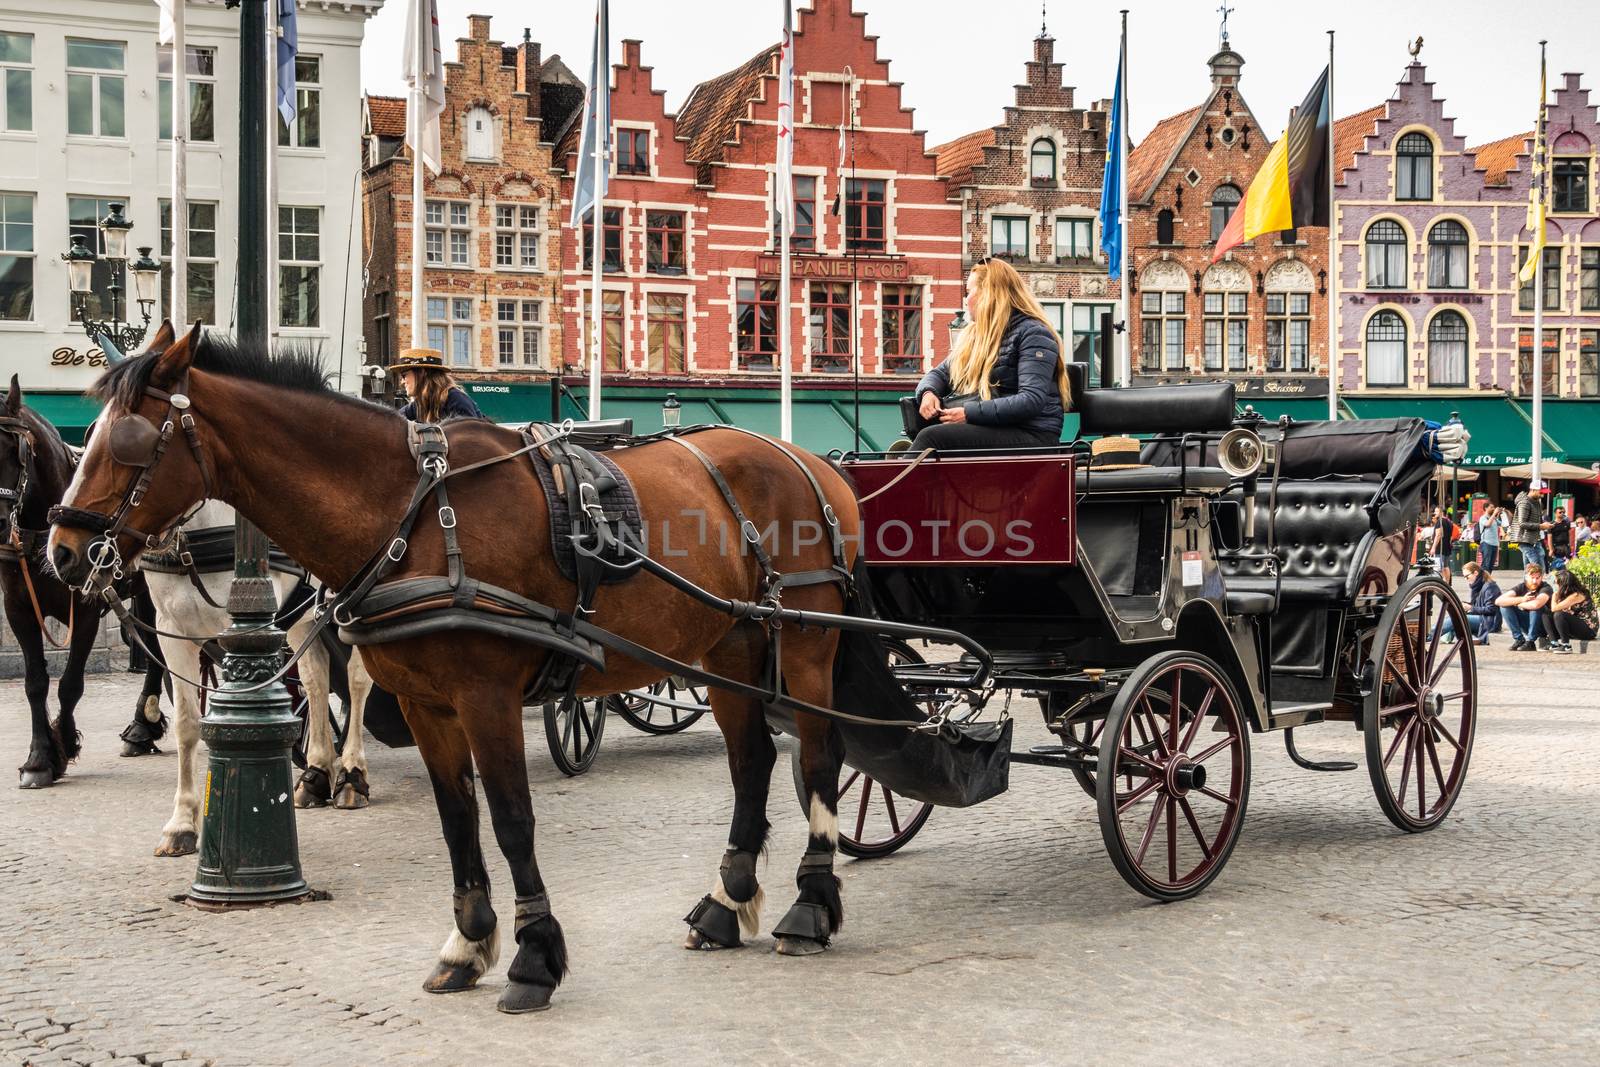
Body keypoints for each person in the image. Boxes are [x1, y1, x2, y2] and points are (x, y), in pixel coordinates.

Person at [913, 258, 1069, 452]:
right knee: (927, 433)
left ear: (989, 294)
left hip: (1033, 434)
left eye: (969, 292)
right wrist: (928, 393)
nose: (966, 299)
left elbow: (1031, 400)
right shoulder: (977, 336)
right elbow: (939, 374)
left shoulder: (1034, 334)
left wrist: (968, 413)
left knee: (932, 438)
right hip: (998, 427)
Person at [389, 348, 486, 423]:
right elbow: (394, 419)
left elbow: (472, 441)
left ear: (422, 373)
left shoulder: (455, 399)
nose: (402, 381)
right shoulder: (421, 404)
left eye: (404, 375)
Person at [1496, 562, 1554, 652]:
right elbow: (1498, 601)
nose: (1535, 581)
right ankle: (1519, 639)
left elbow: (1536, 605)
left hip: (1544, 626)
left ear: (1542, 577)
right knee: (1504, 606)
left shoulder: (1546, 588)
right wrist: (1522, 599)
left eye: (1538, 578)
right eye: (1532, 578)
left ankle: (1531, 641)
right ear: (1526, 577)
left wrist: (1517, 603)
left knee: (1535, 608)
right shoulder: (1521, 587)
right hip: (1527, 624)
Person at [1443, 561, 1501, 645]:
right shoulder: (1477, 586)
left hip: (1488, 621)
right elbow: (1477, 605)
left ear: (1476, 573)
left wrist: (1470, 608)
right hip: (1482, 618)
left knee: (1457, 618)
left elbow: (1491, 609)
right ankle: (1437, 635)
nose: (1466, 579)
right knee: (1455, 613)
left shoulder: (1490, 586)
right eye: (1464, 577)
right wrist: (1465, 605)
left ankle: (1430, 635)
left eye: (1467, 576)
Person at [1548, 568, 1596, 653]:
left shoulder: (1577, 595)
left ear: (1563, 584)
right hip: (1575, 628)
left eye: (1556, 582)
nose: (1555, 584)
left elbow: (1554, 608)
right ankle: (1554, 643)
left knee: (1559, 615)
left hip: (1588, 631)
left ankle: (1566, 646)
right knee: (1546, 614)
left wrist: (1555, 595)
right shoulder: (1566, 593)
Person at [1512, 488, 1546, 572]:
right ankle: (1536, 583)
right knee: (1537, 565)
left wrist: (1547, 525)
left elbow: (1538, 521)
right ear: (1533, 490)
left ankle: (1528, 584)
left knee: (1530, 567)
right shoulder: (1524, 503)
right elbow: (1522, 523)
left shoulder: (1537, 503)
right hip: (1523, 538)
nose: (1542, 495)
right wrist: (1541, 526)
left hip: (1533, 538)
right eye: (1540, 492)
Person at [1430, 505, 1455, 584]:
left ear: (1441, 512)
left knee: (1438, 567)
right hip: (1447, 546)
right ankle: (1447, 583)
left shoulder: (1439, 522)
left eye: (1436, 511)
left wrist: (1433, 547)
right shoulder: (1449, 522)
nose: (1435, 513)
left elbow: (1438, 535)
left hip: (1439, 547)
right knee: (1446, 566)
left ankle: (1439, 584)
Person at [1477, 504, 1502, 572]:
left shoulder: (1494, 518)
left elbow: (1502, 524)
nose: (1493, 508)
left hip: (1494, 544)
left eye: (1493, 507)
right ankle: (1481, 580)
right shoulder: (1483, 518)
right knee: (1486, 564)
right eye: (1491, 507)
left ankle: (1487, 580)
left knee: (1491, 565)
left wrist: (1499, 513)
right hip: (1486, 543)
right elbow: (1487, 524)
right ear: (1485, 508)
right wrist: (1494, 514)